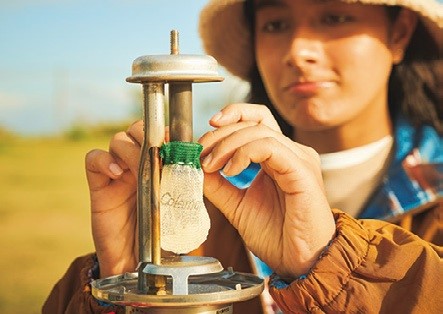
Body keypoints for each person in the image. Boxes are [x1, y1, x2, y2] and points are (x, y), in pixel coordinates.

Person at [43, 0, 442, 313]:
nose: (298, 51)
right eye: (275, 25)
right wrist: (124, 285)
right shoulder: (203, 207)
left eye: (334, 17)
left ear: (399, 33)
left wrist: (330, 260)